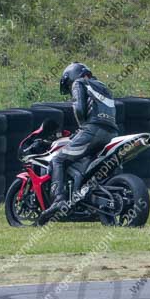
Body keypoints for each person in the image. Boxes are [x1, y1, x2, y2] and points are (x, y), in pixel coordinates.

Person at [36, 62, 118, 225]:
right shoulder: (104, 87)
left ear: (72, 76)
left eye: (68, 84)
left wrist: (82, 129)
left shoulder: (79, 83)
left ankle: (59, 200)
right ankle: (88, 199)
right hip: (111, 133)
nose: (69, 89)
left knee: (58, 160)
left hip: (92, 131)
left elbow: (80, 109)